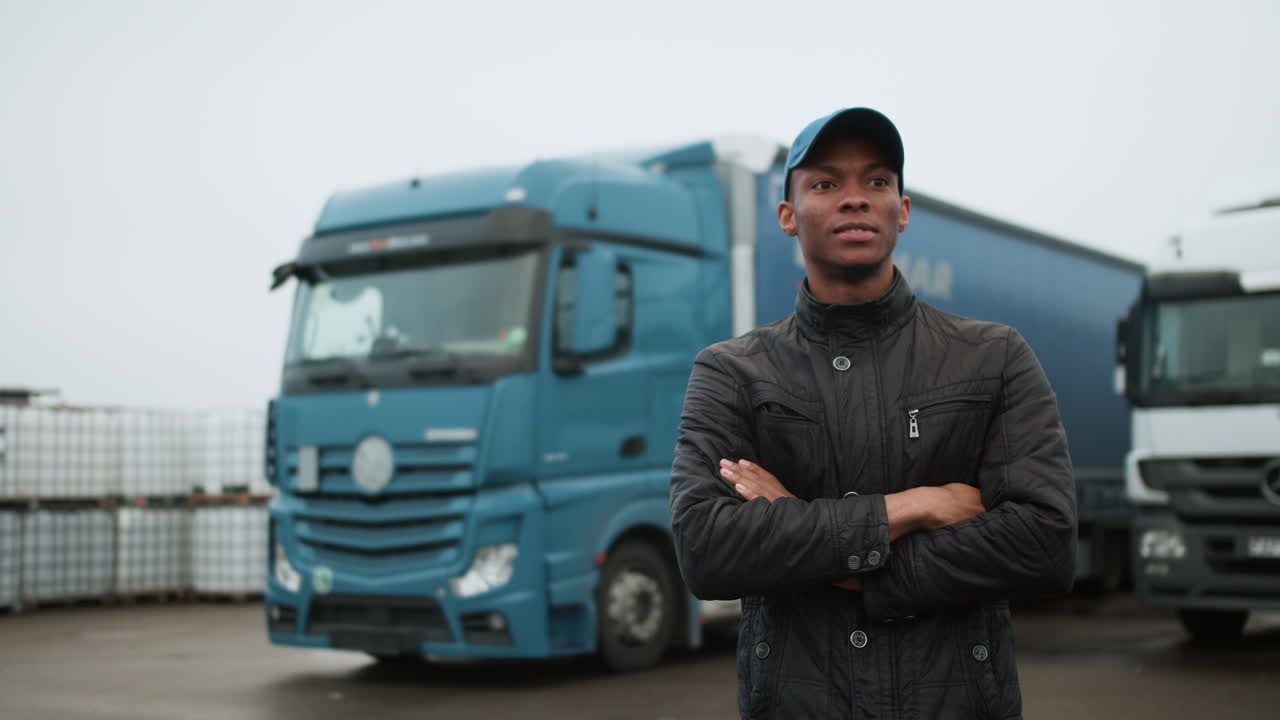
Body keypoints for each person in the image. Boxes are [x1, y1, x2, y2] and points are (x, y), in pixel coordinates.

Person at [668, 107, 1076, 719]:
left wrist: (820, 543)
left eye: (877, 181)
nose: (855, 199)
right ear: (787, 216)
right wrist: (914, 506)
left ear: (902, 210)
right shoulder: (733, 371)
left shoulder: (993, 357)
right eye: (826, 183)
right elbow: (707, 548)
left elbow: (1043, 545)